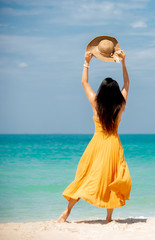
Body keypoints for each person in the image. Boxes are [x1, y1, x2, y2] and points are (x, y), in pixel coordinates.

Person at [57, 47, 131, 224]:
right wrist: (123, 62)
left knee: (85, 178)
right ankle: (108, 218)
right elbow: (127, 84)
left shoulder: (96, 103)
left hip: (96, 145)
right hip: (113, 145)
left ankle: (65, 213)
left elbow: (84, 83)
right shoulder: (120, 105)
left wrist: (87, 62)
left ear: (102, 91)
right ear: (115, 92)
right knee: (112, 179)